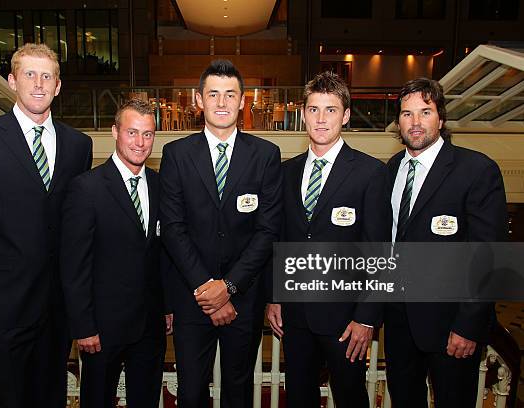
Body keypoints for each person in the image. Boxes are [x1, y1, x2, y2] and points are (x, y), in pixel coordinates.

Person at [0, 43, 93, 408]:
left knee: (52, 397)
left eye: (47, 76)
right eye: (29, 74)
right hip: (0, 310)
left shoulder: (78, 145)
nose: (38, 84)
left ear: (58, 86)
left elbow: (76, 229)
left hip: (56, 309)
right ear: (12, 81)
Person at [159, 59, 282, 407]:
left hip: (243, 299)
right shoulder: (176, 154)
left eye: (231, 94)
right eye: (214, 94)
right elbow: (173, 229)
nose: (222, 102)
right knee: (192, 392)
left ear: (243, 101)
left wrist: (227, 288)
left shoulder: (265, 155)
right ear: (199, 100)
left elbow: (267, 231)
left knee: (238, 393)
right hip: (191, 298)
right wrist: (206, 290)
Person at [266, 71, 392, 407]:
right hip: (295, 316)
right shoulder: (286, 172)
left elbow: (380, 251)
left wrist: (366, 316)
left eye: (331, 110)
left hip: (346, 319)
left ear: (346, 115)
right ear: (303, 114)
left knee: (350, 396)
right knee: (298, 395)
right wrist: (275, 296)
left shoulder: (371, 173)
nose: (321, 119)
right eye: (314, 109)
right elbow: (280, 241)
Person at [384, 77, 508, 407]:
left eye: (425, 112)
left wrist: (469, 325)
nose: (415, 122)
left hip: (451, 327)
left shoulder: (476, 170)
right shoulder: (391, 169)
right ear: (398, 122)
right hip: (399, 324)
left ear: (440, 118)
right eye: (407, 114)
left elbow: (490, 257)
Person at [60, 99, 171, 408]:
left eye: (148, 134)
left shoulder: (161, 185)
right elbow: (74, 264)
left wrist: (167, 307)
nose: (140, 142)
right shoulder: (86, 188)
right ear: (115, 132)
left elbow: (161, 255)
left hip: (149, 326)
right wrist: (83, 326)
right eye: (132, 132)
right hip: (101, 329)